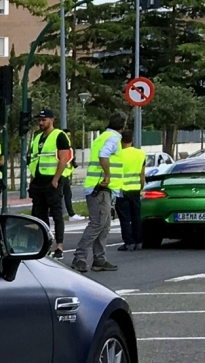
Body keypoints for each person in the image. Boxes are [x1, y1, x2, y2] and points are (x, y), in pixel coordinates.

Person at [72, 112, 125, 273]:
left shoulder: (101, 137)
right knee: (97, 224)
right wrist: (107, 175)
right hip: (101, 187)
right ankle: (79, 257)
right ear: (123, 125)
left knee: (105, 225)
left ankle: (99, 259)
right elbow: (104, 155)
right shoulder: (114, 138)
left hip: (101, 188)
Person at [27, 109, 73, 261]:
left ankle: (59, 247)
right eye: (39, 120)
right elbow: (34, 158)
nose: (40, 123)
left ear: (52, 120)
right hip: (38, 181)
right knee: (39, 216)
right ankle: (43, 245)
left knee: (57, 214)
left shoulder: (59, 135)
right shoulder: (37, 137)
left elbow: (63, 158)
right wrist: (32, 178)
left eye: (43, 120)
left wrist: (55, 179)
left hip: (51, 182)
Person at [114, 128, 145, 251]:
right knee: (136, 217)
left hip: (122, 190)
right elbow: (142, 174)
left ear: (121, 141)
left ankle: (128, 242)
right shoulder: (140, 153)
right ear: (132, 140)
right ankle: (139, 241)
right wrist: (141, 186)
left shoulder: (118, 155)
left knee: (125, 219)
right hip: (135, 189)